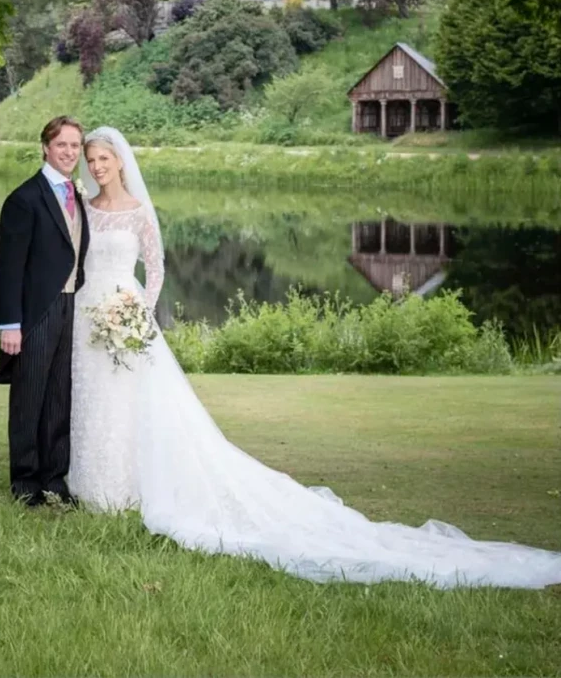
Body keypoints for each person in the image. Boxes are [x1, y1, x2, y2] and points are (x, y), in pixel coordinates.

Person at [68, 125, 561, 589]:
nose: (96, 166)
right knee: (94, 399)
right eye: (91, 160)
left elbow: (155, 269)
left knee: (134, 403)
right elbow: (74, 261)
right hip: (88, 314)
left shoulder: (137, 211)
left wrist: (137, 311)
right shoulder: (85, 208)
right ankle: (92, 486)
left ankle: (130, 489)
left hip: (128, 317)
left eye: (103, 158)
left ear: (120, 162)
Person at [0, 116, 90, 506]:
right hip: (36, 312)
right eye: (62, 145)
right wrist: (10, 324)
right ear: (46, 148)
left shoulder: (76, 193)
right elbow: (8, 267)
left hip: (70, 307)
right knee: (29, 398)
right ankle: (25, 483)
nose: (69, 152)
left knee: (58, 397)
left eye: (75, 146)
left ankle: (54, 479)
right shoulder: (24, 199)